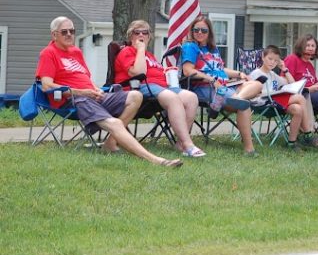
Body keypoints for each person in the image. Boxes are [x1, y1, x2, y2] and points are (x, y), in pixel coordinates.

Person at [37, 16, 182, 167]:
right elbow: (47, 86)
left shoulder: (76, 52)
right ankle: (157, 161)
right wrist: (83, 92)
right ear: (54, 35)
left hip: (93, 95)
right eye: (64, 32)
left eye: (72, 31)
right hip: (75, 100)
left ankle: (110, 143)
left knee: (135, 95)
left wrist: (95, 89)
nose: (69, 35)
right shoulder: (48, 53)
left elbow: (85, 78)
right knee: (115, 124)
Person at [114, 20, 204, 158]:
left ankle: (180, 143)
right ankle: (188, 145)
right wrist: (140, 49)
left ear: (149, 37)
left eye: (145, 32)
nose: (141, 35)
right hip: (138, 87)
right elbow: (138, 73)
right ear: (130, 36)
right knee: (172, 98)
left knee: (191, 98)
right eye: (136, 32)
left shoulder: (150, 56)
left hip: (162, 87)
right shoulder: (127, 51)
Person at [181, 15, 263, 156]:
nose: (199, 33)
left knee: (256, 84)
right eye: (196, 30)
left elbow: (220, 69)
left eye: (204, 30)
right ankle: (249, 149)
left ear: (209, 33)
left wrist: (239, 74)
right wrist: (211, 79)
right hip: (205, 87)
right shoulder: (190, 46)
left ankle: (234, 99)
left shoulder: (213, 49)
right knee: (244, 105)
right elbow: (188, 71)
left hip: (224, 87)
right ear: (192, 31)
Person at [249, 45, 318, 150]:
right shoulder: (256, 73)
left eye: (275, 61)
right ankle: (308, 133)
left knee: (297, 109)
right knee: (300, 98)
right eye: (270, 59)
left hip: (275, 103)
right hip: (262, 103)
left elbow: (293, 83)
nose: (272, 62)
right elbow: (253, 93)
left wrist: (285, 69)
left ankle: (291, 143)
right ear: (263, 57)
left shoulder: (273, 75)